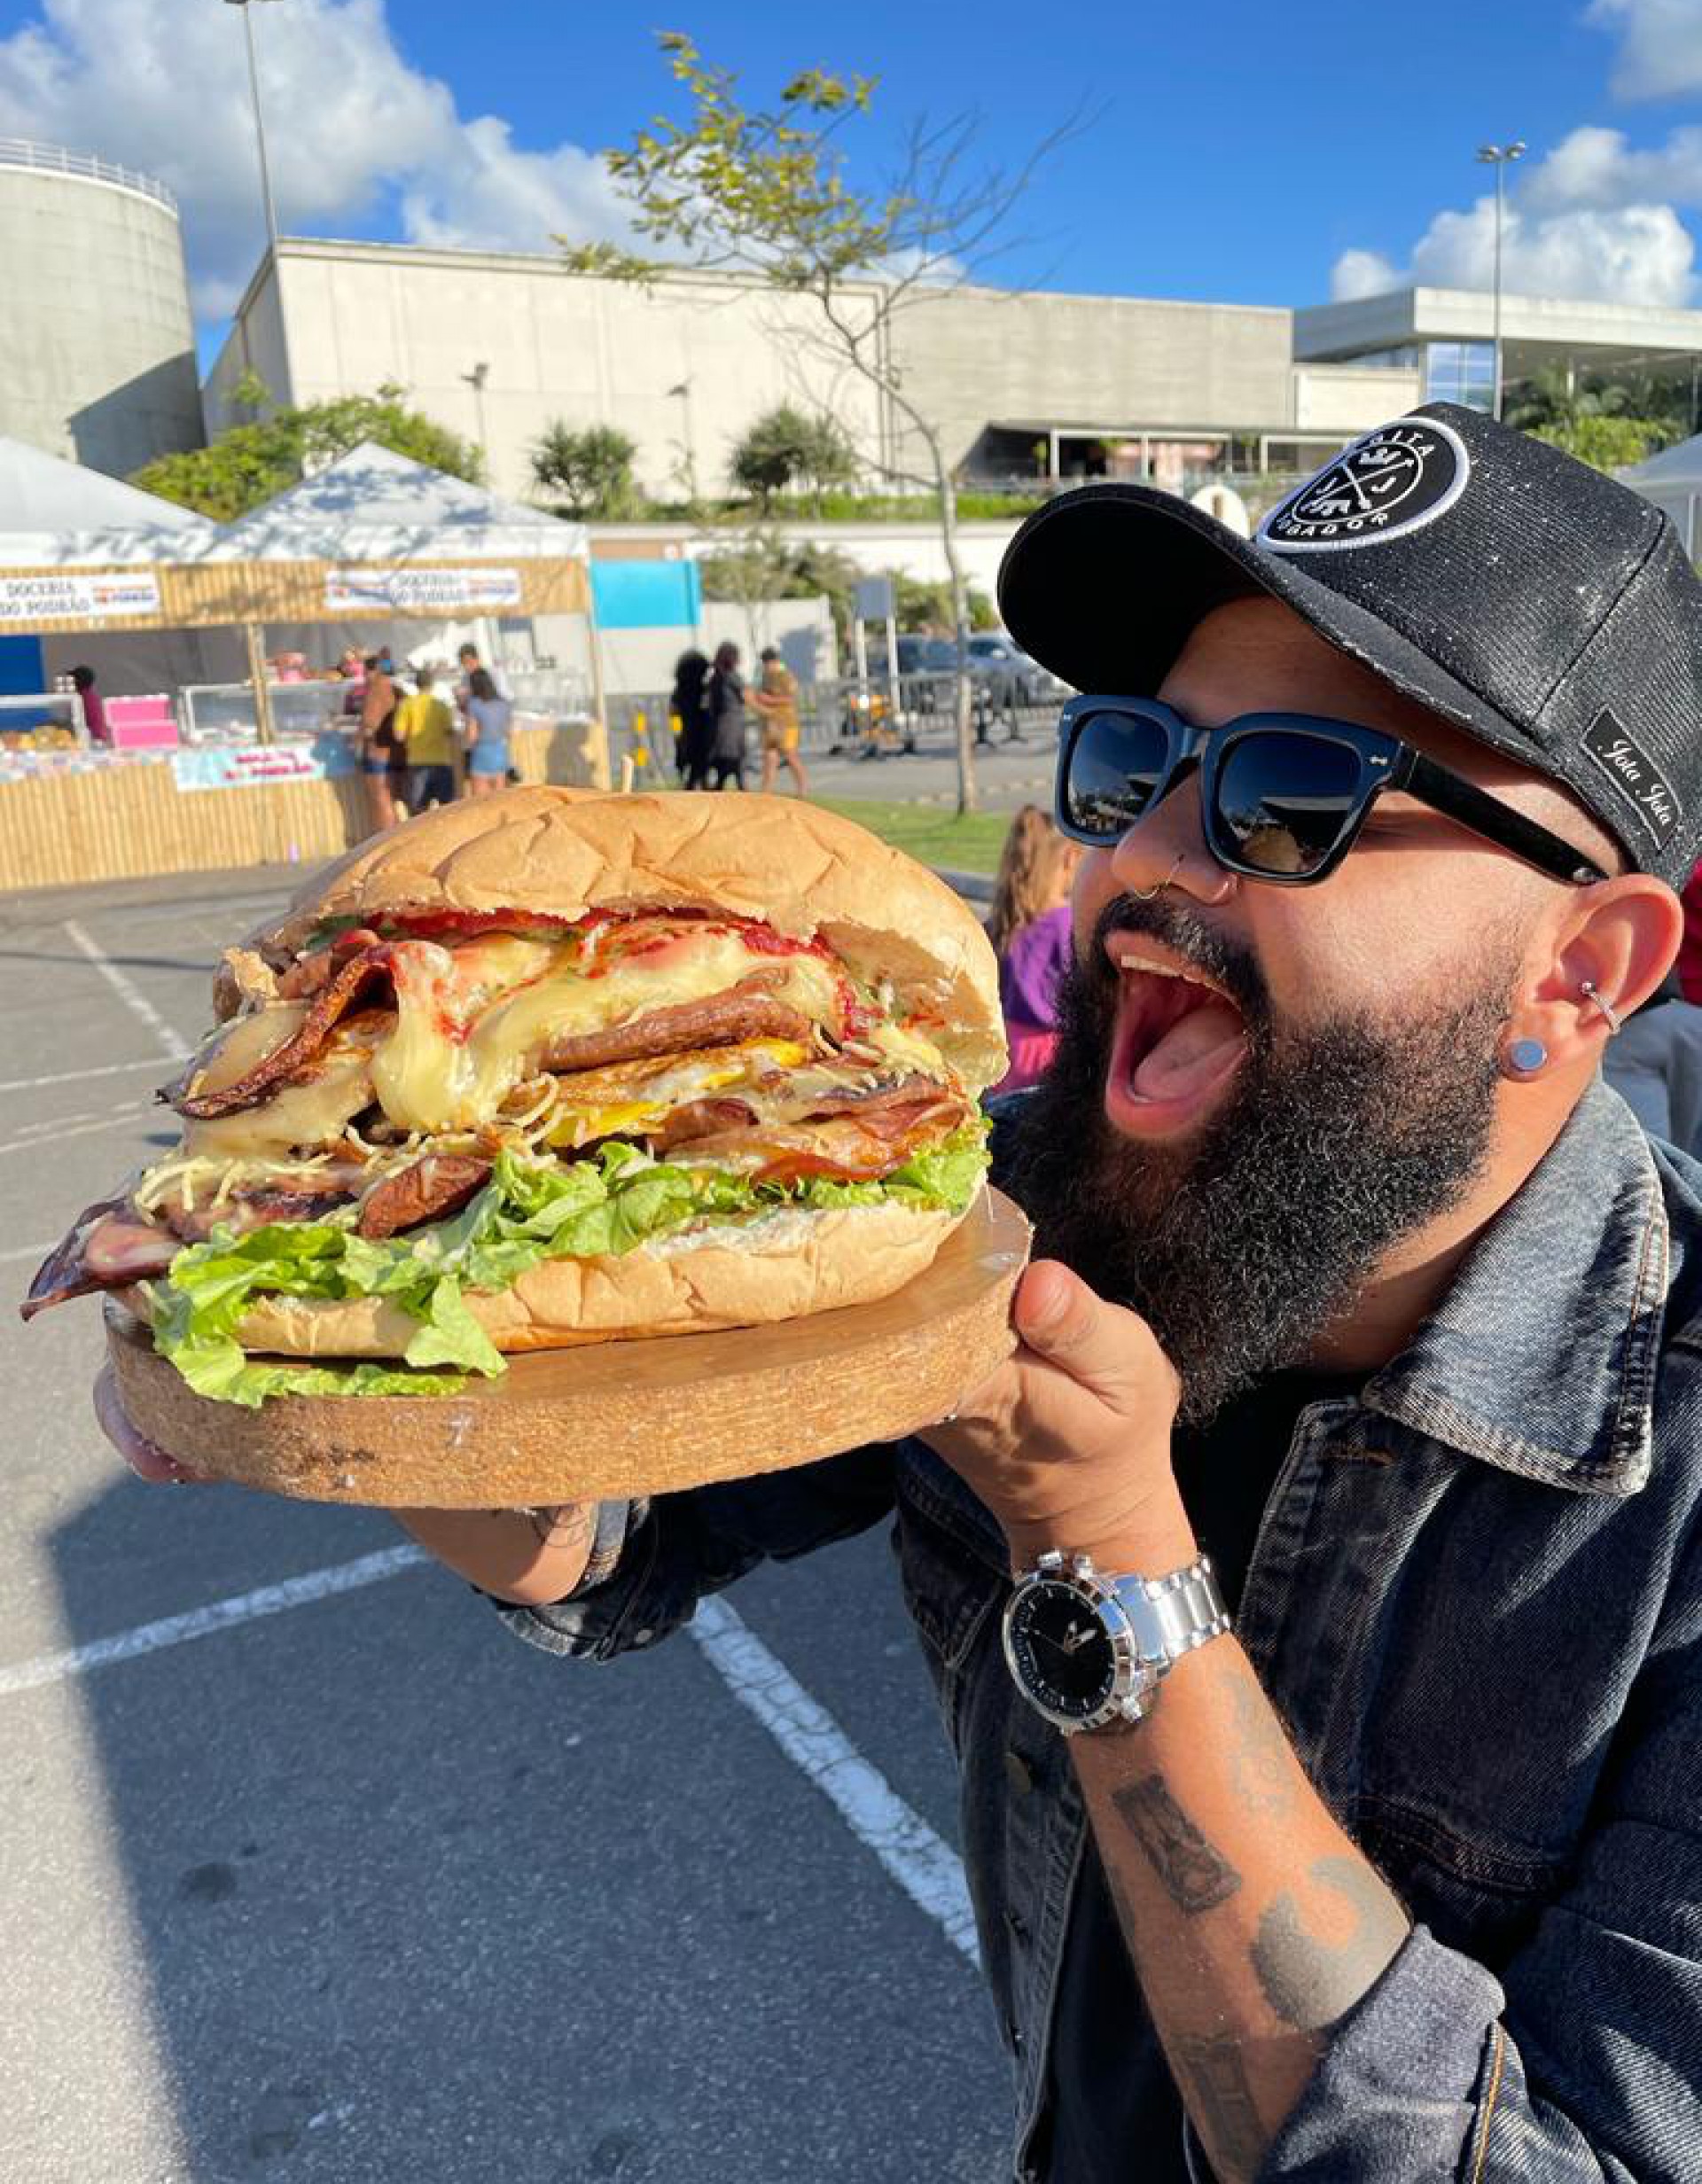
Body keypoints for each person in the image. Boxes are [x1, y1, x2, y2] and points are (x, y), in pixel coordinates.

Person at [97, 407, 1702, 2183]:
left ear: (1576, 971)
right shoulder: (987, 1202)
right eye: (1132, 760)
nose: (1151, 856)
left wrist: (1112, 1550)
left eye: (1293, 793)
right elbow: (613, 1534)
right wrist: (340, 1346)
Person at [985, 805, 1080, 1094]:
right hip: (1051, 1059)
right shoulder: (1068, 925)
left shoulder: (1001, 922)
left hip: (1004, 1053)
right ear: (1069, 859)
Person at [392, 667, 457, 814]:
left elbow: (399, 735)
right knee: (448, 810)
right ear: (432, 685)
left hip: (417, 761)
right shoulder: (441, 705)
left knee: (418, 812)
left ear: (416, 684)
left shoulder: (406, 705)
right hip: (441, 760)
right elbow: (450, 732)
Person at [752, 644, 808, 796]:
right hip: (771, 723)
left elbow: (790, 699)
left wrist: (767, 699)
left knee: (790, 756)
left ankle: (802, 790)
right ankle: (766, 792)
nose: (765, 667)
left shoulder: (784, 675)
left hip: (786, 723)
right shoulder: (765, 676)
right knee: (770, 758)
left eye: (766, 663)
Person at [356, 652, 402, 832]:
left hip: (378, 752)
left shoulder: (375, 689)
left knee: (381, 798)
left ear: (370, 671)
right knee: (390, 799)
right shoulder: (394, 687)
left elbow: (369, 724)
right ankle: (396, 839)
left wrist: (357, 739)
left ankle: (387, 842)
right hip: (395, 751)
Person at [463, 666, 513, 798]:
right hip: (500, 752)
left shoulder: (474, 704)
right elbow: (509, 732)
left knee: (480, 803)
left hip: (482, 752)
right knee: (499, 801)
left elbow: (472, 736)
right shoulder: (504, 703)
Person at [706, 640, 747, 792]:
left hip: (719, 722)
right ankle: (740, 789)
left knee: (724, 759)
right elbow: (747, 696)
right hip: (732, 722)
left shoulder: (716, 677)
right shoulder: (731, 677)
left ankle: (720, 788)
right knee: (734, 758)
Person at [669, 648, 713, 790]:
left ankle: (692, 786)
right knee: (699, 766)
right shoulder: (703, 690)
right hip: (699, 732)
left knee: (691, 766)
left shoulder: (679, 690)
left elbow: (673, 713)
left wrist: (677, 733)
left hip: (687, 731)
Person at [69, 665, 111, 747]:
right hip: (98, 738)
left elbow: (83, 721)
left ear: (78, 681)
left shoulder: (82, 698)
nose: (71, 683)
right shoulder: (91, 695)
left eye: (73, 680)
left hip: (93, 740)